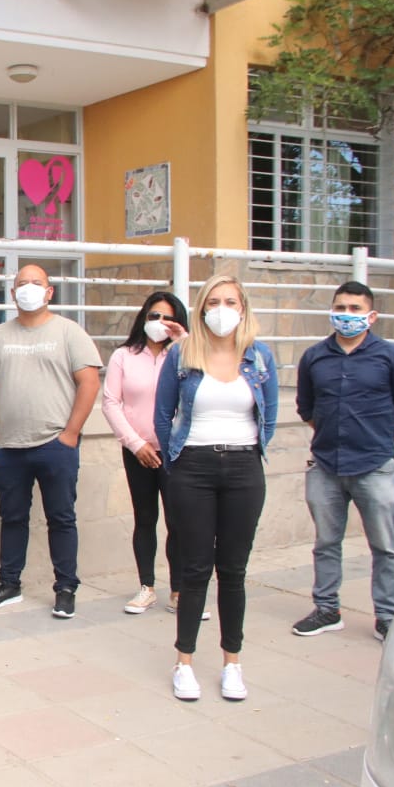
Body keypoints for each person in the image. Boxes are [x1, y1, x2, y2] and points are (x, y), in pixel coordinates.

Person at [154, 275, 278, 703]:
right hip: (193, 467)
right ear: (201, 308)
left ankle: (232, 663)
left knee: (234, 570)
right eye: (213, 301)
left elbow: (271, 415)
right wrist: (176, 464)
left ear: (242, 308)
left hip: (244, 467)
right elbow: (162, 414)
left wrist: (249, 453)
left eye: (230, 301)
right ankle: (184, 662)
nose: (221, 309)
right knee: (194, 569)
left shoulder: (260, 357)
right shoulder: (182, 354)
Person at [292, 281, 394, 642]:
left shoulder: (393, 357)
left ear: (371, 315)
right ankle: (326, 609)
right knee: (326, 543)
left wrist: (375, 441)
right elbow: (307, 408)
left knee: (385, 546)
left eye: (354, 309)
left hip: (374, 467)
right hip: (326, 467)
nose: (346, 315)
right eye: (340, 308)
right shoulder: (315, 357)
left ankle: (388, 617)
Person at [0, 264, 102, 618]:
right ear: (12, 294)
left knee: (61, 518)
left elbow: (89, 382)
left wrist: (70, 434)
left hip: (55, 446)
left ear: (50, 292)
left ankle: (65, 587)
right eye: (21, 284)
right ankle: (9, 583)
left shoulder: (68, 332)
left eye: (36, 283)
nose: (28, 288)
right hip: (9, 447)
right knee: (12, 517)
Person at [102, 291, 207, 616]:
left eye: (167, 317)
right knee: (145, 519)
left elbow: (203, 388)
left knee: (180, 522)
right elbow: (111, 402)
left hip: (178, 451)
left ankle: (179, 591)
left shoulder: (187, 354)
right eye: (153, 316)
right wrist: (135, 444)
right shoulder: (124, 356)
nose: (159, 323)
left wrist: (184, 342)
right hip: (139, 451)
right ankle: (146, 586)